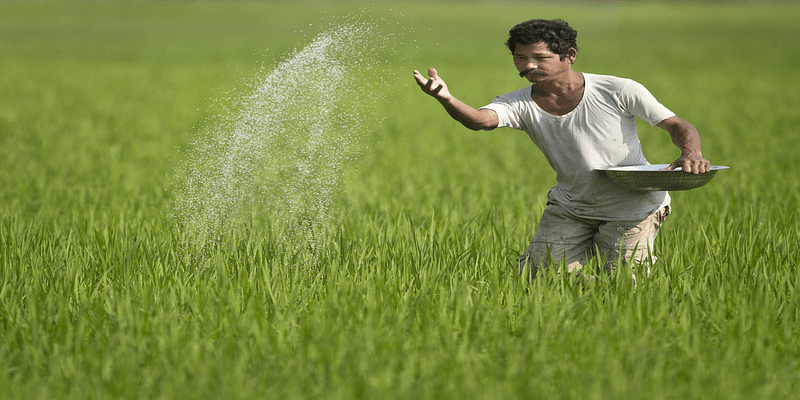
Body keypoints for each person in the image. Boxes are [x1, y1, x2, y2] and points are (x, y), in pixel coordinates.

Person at [413, 18, 711, 279]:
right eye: (520, 57)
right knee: (539, 276)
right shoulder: (518, 102)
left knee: (624, 284)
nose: (528, 65)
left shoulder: (617, 90)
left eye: (539, 57)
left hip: (632, 207)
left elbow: (678, 126)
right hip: (572, 206)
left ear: (569, 55)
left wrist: (691, 153)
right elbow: (481, 121)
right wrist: (447, 99)